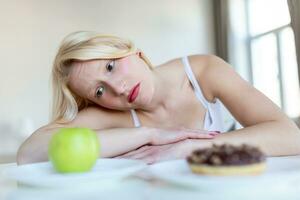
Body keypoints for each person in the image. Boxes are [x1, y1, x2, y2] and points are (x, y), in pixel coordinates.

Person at [17, 31, 300, 165]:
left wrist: (188, 147)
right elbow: (29, 154)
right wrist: (150, 134)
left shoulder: (202, 71)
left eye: (110, 66)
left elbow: (290, 136)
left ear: (131, 50)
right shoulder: (110, 113)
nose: (117, 88)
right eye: (99, 91)